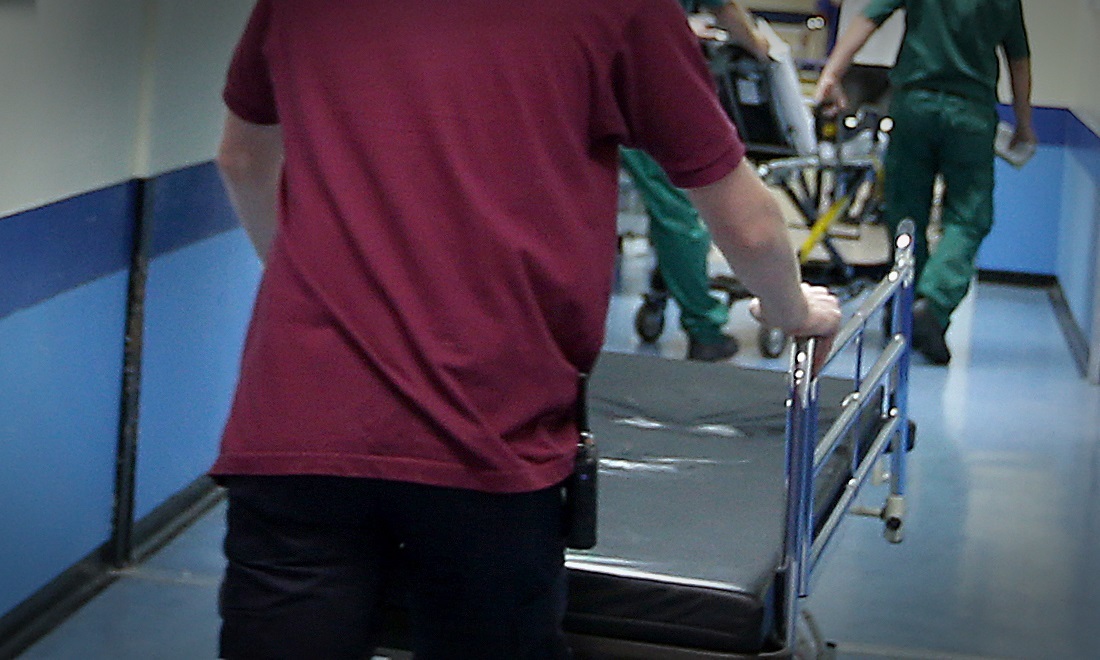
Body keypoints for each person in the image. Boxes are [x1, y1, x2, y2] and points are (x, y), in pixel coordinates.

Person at [212, 1, 841, 658]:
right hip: (485, 432)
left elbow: (242, 159)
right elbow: (749, 224)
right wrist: (792, 309)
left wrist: (320, 287)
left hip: (298, 419)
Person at [815, 0, 1035, 364]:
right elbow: (1019, 60)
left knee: (906, 212)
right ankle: (932, 305)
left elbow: (869, 18)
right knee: (969, 216)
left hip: (914, 106)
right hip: (971, 114)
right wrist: (1024, 121)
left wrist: (832, 74)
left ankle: (905, 306)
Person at [621, 0, 770, 362]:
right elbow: (728, 10)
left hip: (583, 78)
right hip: (643, 84)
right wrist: (761, 50)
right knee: (678, 209)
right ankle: (704, 327)